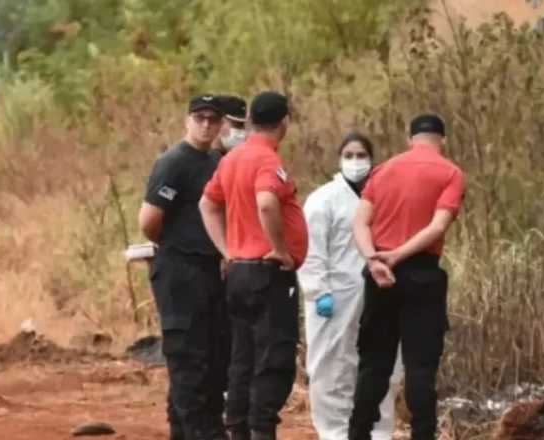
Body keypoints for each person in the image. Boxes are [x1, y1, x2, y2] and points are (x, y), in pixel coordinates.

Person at [348, 115, 465, 440]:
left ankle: (357, 433)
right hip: (422, 276)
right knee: (421, 367)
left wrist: (374, 259)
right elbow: (438, 227)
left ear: (409, 138)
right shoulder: (450, 173)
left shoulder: (383, 170)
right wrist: (399, 255)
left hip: (378, 274)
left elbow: (359, 223)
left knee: (373, 362)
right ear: (442, 139)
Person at [199, 91, 308, 440]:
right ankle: (262, 431)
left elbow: (207, 204)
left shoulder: (231, 159)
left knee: (242, 359)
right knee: (272, 361)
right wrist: (280, 249)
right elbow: (266, 203)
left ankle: (239, 429)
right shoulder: (265, 159)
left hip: (240, 273)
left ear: (249, 122)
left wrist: (227, 250)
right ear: (285, 122)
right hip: (268, 273)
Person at [297, 133, 403, 440]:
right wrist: (318, 291)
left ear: (372, 159)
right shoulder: (323, 199)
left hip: (377, 292)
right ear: (339, 158)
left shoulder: (383, 197)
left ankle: (378, 430)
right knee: (331, 367)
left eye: (361, 155)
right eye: (349, 155)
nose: (356, 162)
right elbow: (312, 250)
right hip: (335, 296)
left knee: (382, 366)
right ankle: (334, 432)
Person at [138, 95, 231, 440]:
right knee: (189, 360)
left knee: (210, 358)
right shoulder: (174, 162)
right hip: (180, 270)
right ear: (187, 120)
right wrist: (178, 244)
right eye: (200, 117)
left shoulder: (216, 160)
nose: (206, 124)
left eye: (212, 119)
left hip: (210, 271)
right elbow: (149, 221)